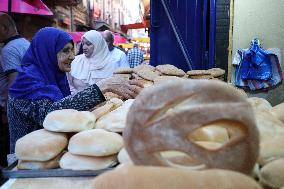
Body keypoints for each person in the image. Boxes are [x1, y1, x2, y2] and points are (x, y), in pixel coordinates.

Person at [7, 27, 143, 159]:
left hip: (51, 153)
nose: (73, 56)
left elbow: (65, 107)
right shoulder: (27, 80)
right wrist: (101, 87)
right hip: (28, 159)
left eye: (72, 50)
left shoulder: (53, 75)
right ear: (47, 51)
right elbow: (51, 116)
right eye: (65, 51)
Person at [0, 13, 30, 167]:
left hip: (12, 108)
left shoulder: (8, 50)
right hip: (27, 105)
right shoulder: (24, 42)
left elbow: (13, 82)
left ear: (4, 28)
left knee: (11, 152)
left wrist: (7, 111)